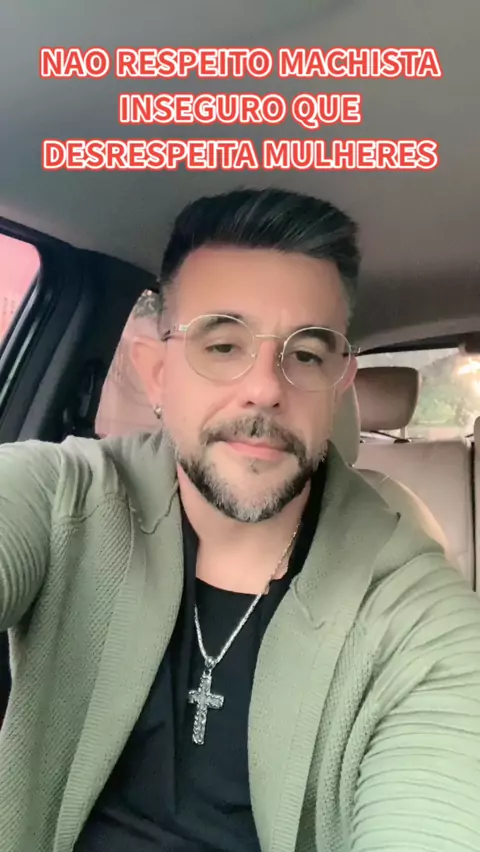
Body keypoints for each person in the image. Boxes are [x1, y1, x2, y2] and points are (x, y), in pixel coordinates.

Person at [0, 187, 479, 852]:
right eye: (223, 345)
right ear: (157, 374)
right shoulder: (63, 498)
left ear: (337, 385)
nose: (266, 387)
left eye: (306, 354)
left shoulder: (413, 614)